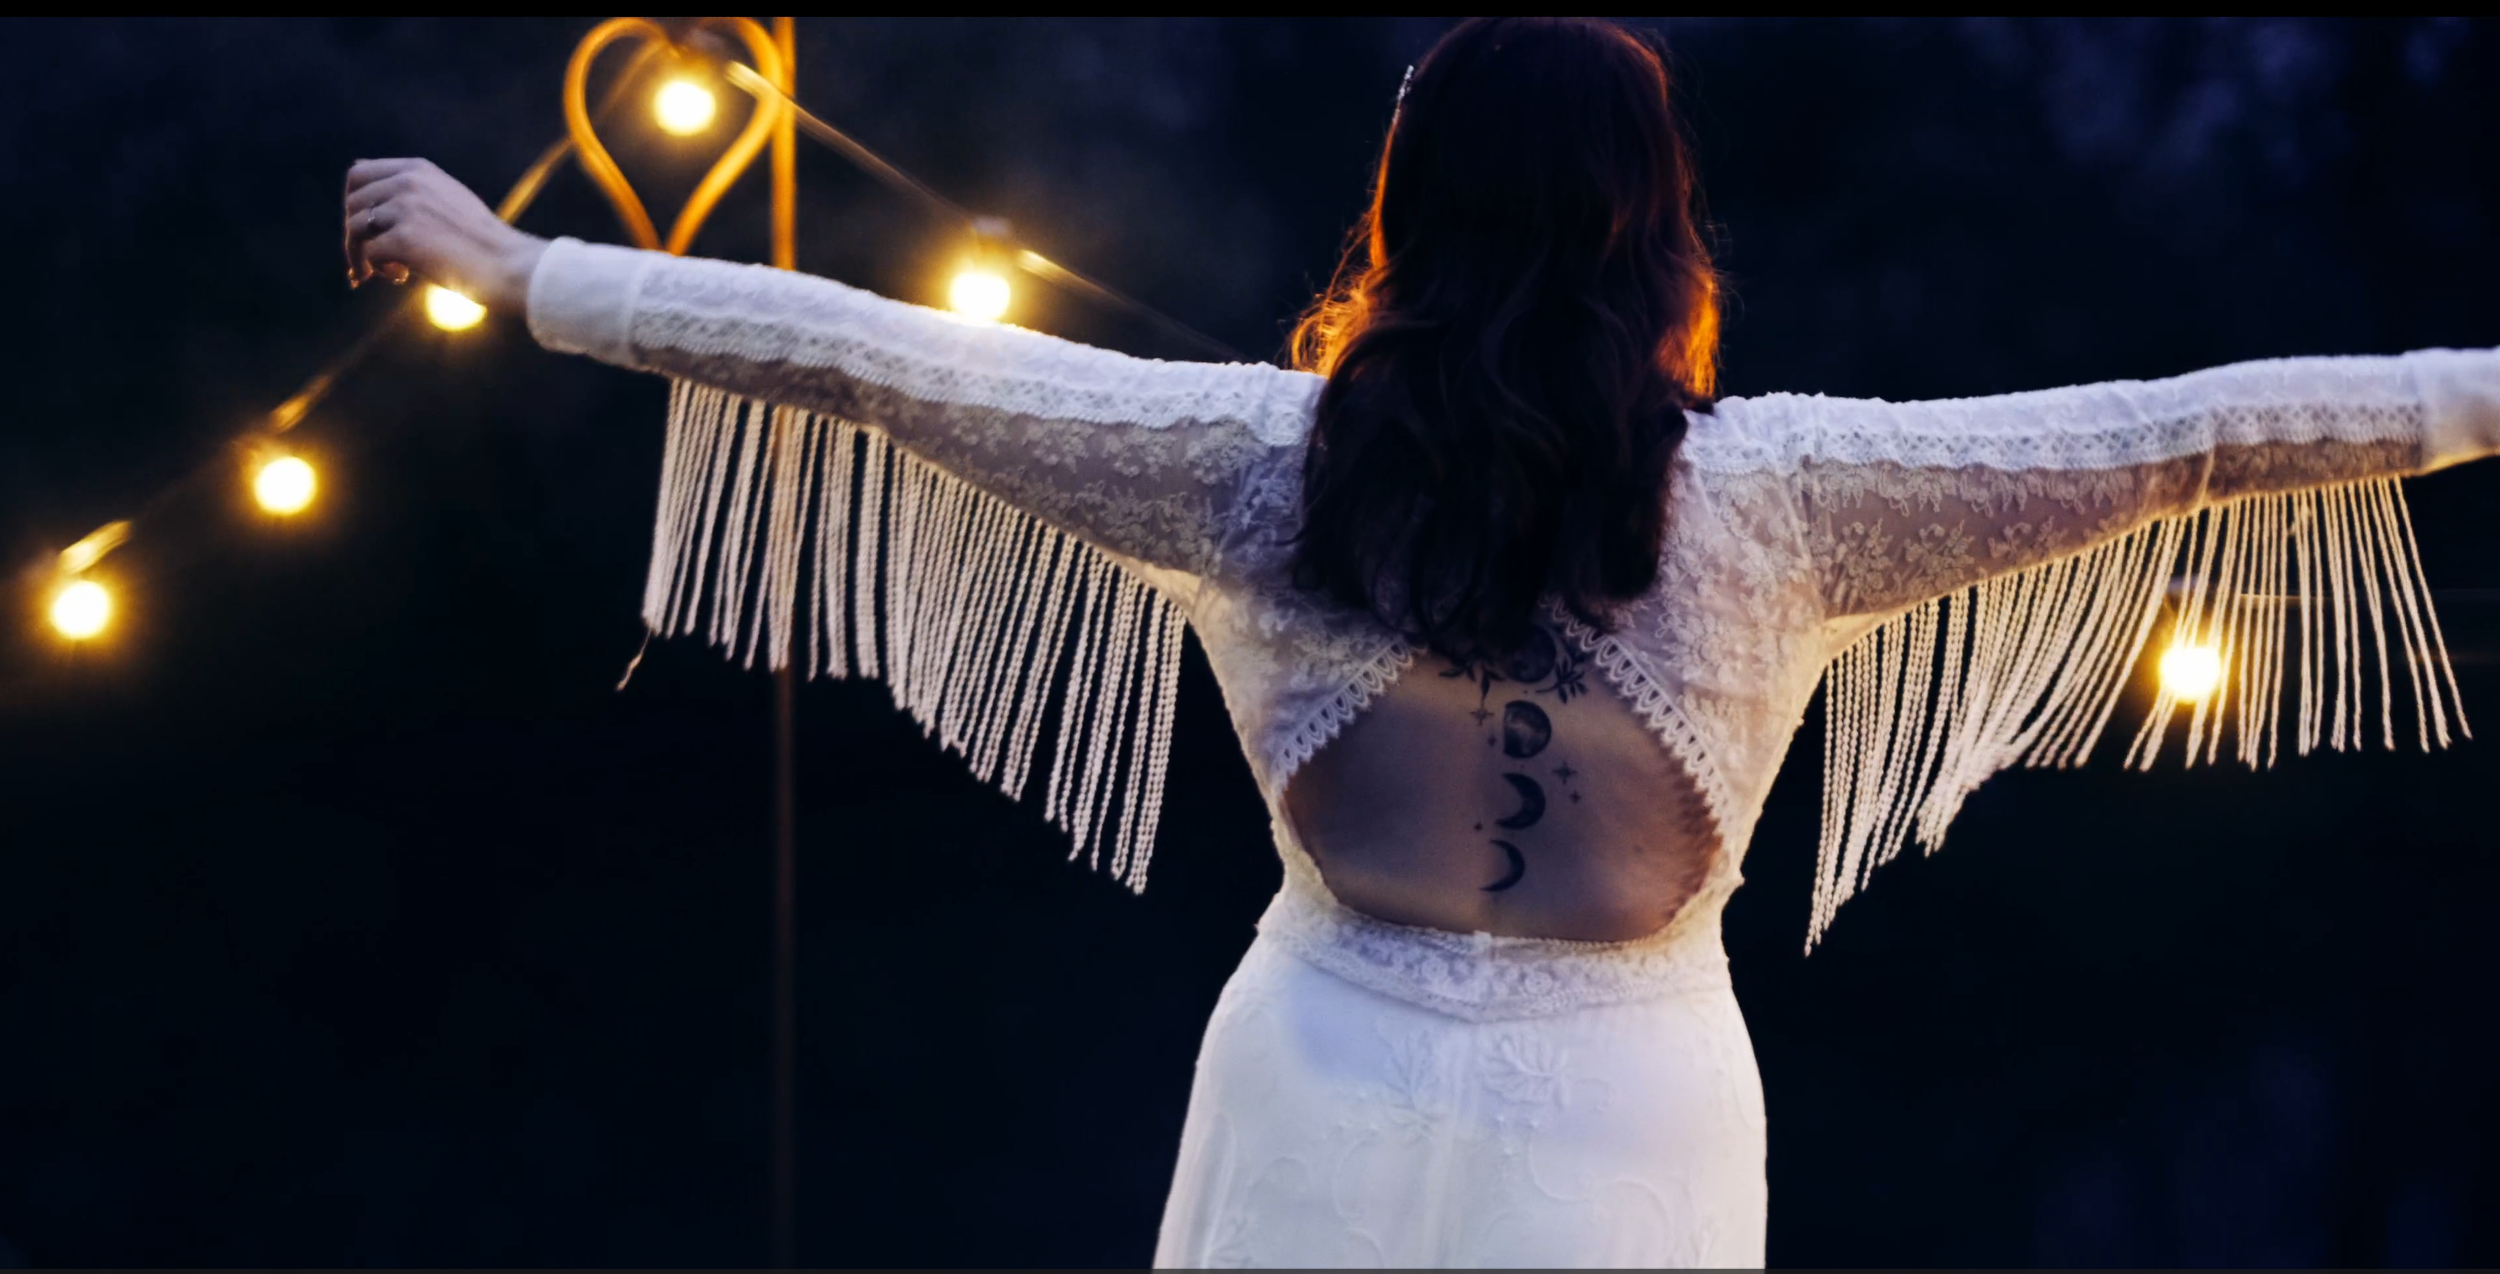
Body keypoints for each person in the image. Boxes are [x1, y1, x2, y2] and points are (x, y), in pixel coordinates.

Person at [341, 16, 2499, 1268]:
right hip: (1631, 1102)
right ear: (1660, 228)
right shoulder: (1789, 496)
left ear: (1403, 209)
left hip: (1313, 1067)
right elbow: (2200, 433)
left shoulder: (1246, 463)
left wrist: (527, 271)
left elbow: (880, 363)